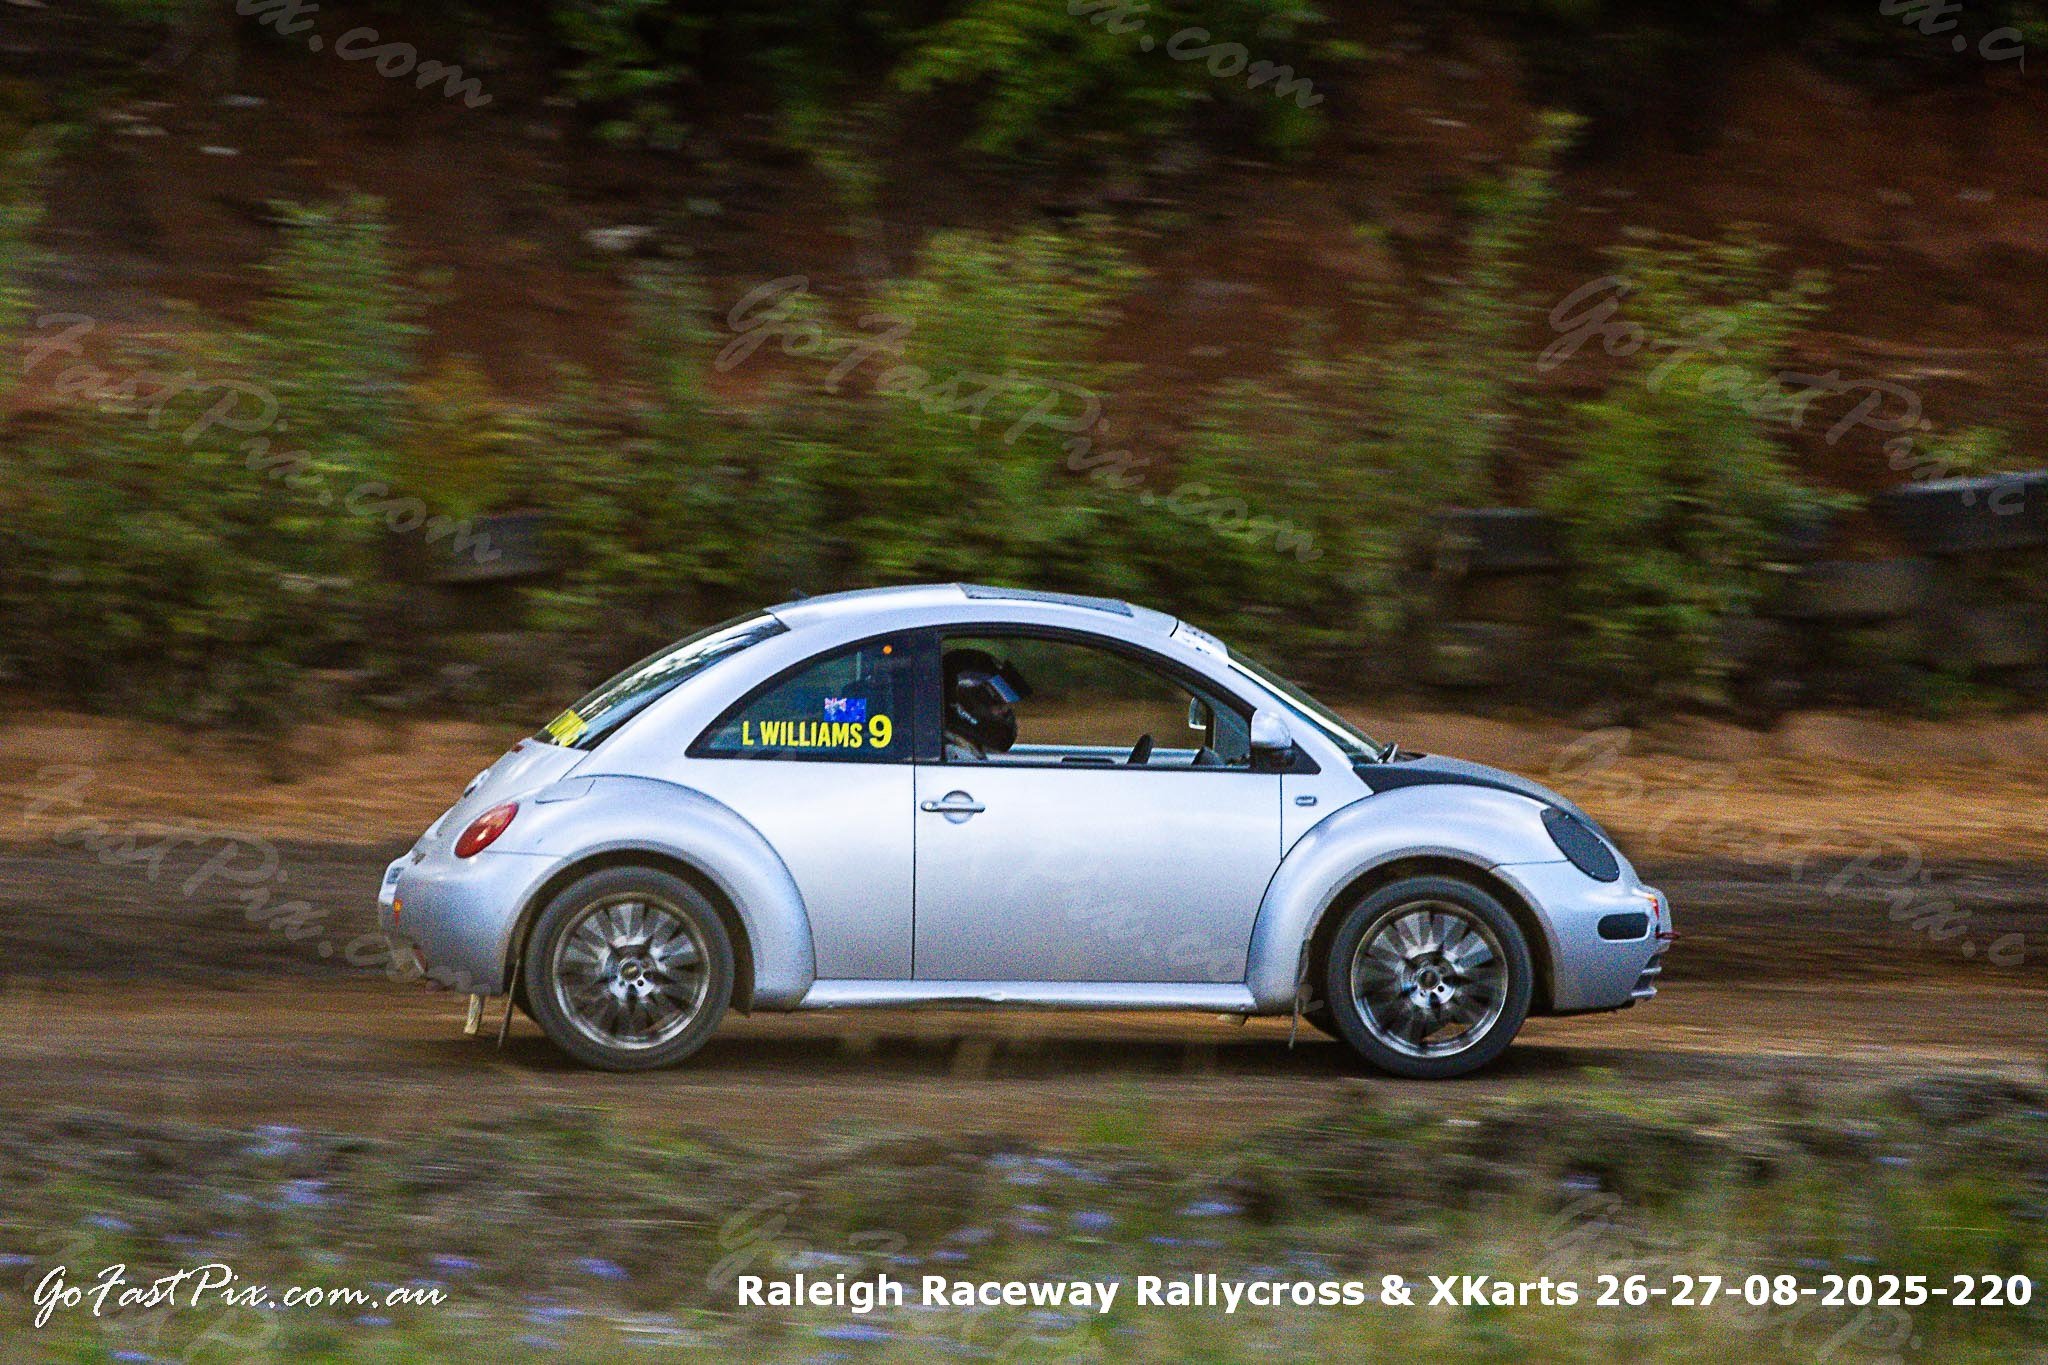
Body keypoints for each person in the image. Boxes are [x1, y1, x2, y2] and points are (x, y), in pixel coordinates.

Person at [942, 648, 1029, 761]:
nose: (1005, 710)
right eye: (997, 702)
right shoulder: (957, 758)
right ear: (967, 703)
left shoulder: (964, 751)